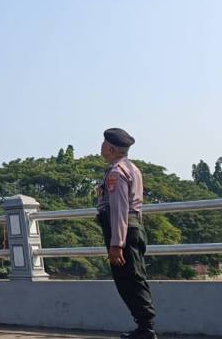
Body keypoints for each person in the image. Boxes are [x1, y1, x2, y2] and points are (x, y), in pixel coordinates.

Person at [97, 128, 157, 339]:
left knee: (129, 280)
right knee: (134, 277)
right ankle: (144, 327)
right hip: (132, 228)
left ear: (111, 148)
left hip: (124, 231)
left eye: (104, 143)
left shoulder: (116, 172)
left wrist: (117, 244)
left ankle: (146, 328)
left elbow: (119, 209)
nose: (101, 147)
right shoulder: (132, 168)